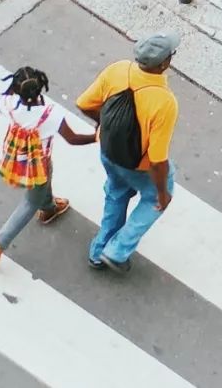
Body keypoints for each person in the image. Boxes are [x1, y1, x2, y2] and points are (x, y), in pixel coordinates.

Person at [77, 32, 180, 274]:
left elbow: (84, 103)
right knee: (153, 200)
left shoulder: (118, 70)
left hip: (108, 152)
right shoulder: (164, 102)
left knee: (116, 193)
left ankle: (98, 253)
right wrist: (163, 194)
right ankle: (116, 251)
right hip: (138, 166)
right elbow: (157, 160)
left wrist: (102, 126)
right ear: (164, 63)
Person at [0, 66, 96, 269]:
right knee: (30, 202)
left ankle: (49, 208)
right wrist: (96, 136)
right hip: (37, 164)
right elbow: (73, 139)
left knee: (43, 186)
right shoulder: (50, 114)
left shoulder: (8, 103)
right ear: (40, 89)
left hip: (17, 157)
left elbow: (5, 98)